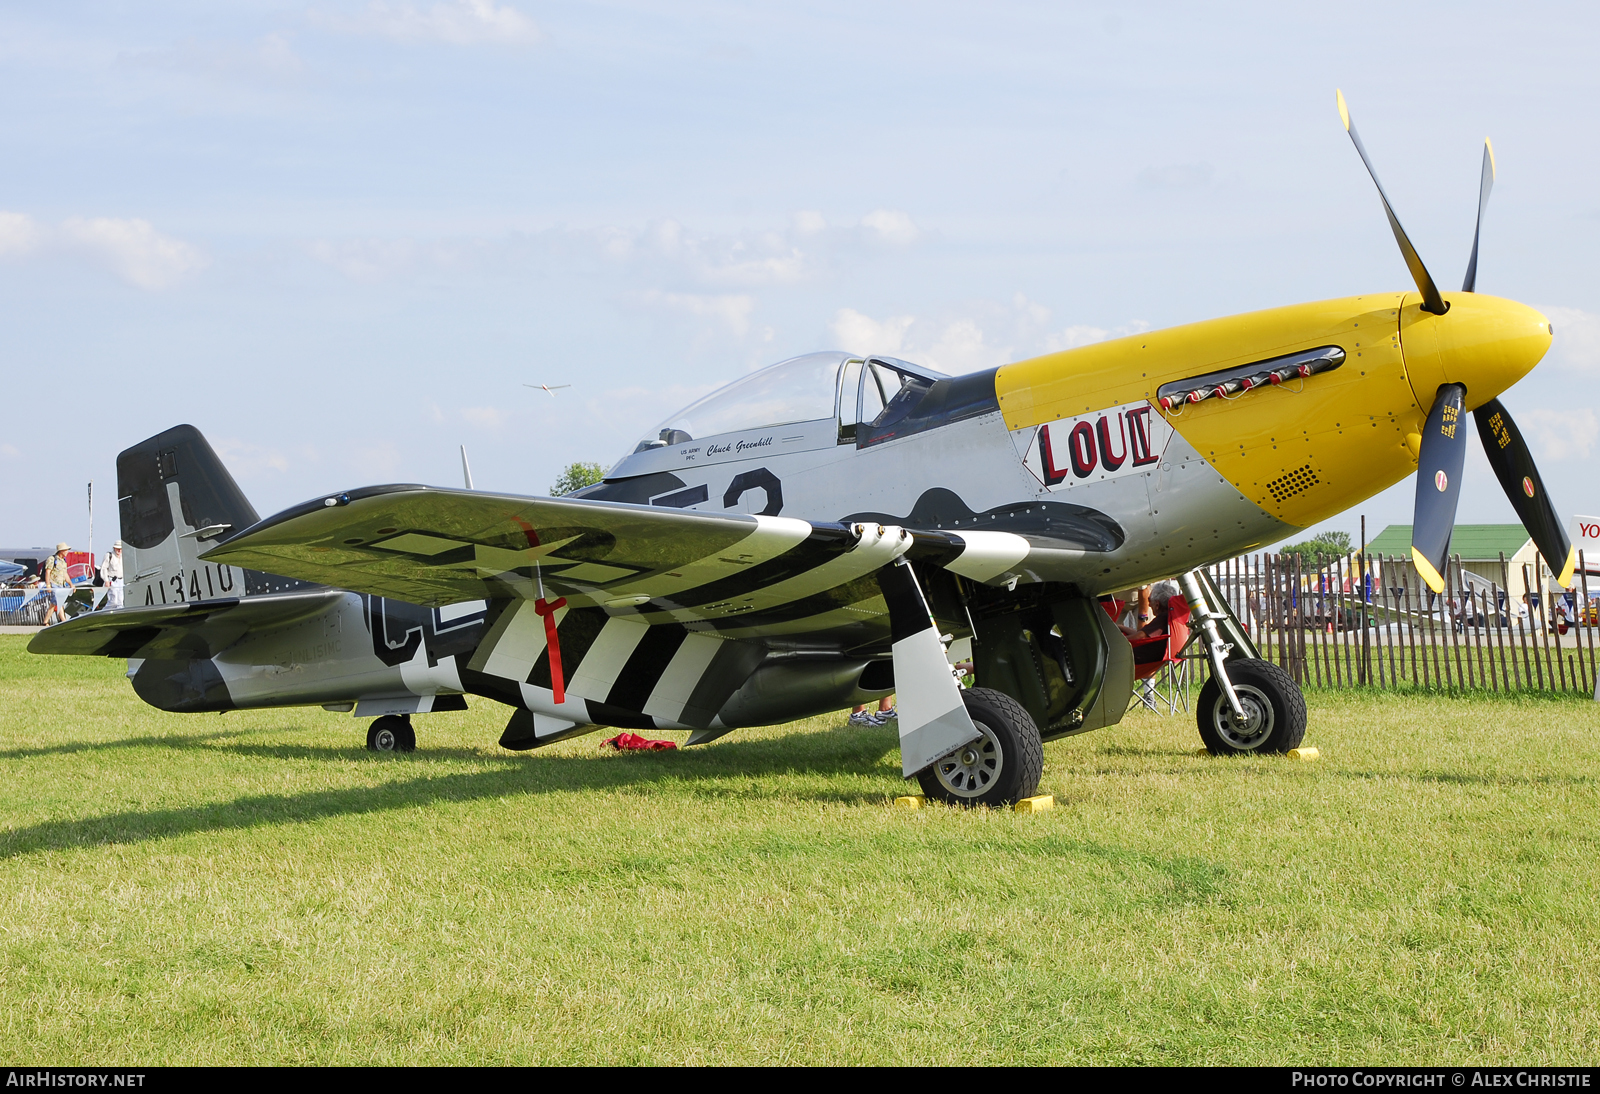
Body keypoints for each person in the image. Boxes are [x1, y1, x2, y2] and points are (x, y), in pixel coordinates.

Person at [41, 542, 72, 625]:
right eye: (66, 550)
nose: (67, 552)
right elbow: (48, 572)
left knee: (56, 602)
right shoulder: (52, 559)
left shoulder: (63, 561)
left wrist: (71, 584)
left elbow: (65, 574)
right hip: (53, 583)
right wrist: (48, 585)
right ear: (61, 551)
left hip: (61, 585)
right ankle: (63, 621)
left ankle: (46, 621)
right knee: (57, 602)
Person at [102, 541, 125, 610]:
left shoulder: (124, 556)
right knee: (113, 601)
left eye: (120, 549)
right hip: (113, 580)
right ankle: (104, 613)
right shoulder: (109, 555)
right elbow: (104, 568)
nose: (119, 550)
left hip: (122, 580)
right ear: (114, 548)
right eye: (118, 548)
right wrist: (106, 581)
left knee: (121, 601)